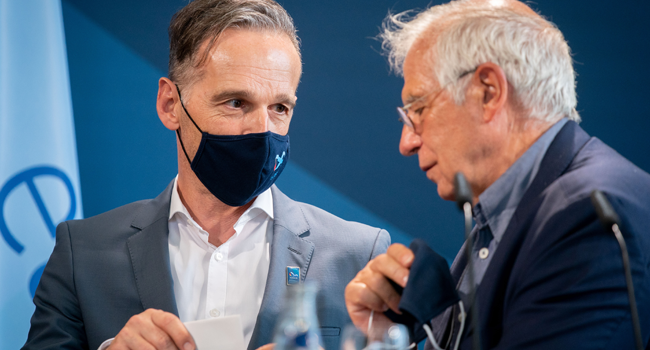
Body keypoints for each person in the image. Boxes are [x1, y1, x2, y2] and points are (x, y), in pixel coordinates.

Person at [23, 1, 390, 350]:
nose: (261, 131)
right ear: (170, 105)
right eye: (236, 103)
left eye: (280, 107)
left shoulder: (359, 257)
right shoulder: (83, 254)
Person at [345, 0, 650, 348]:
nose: (407, 142)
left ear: (488, 92)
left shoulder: (588, 217)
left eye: (418, 109)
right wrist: (392, 338)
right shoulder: (506, 212)